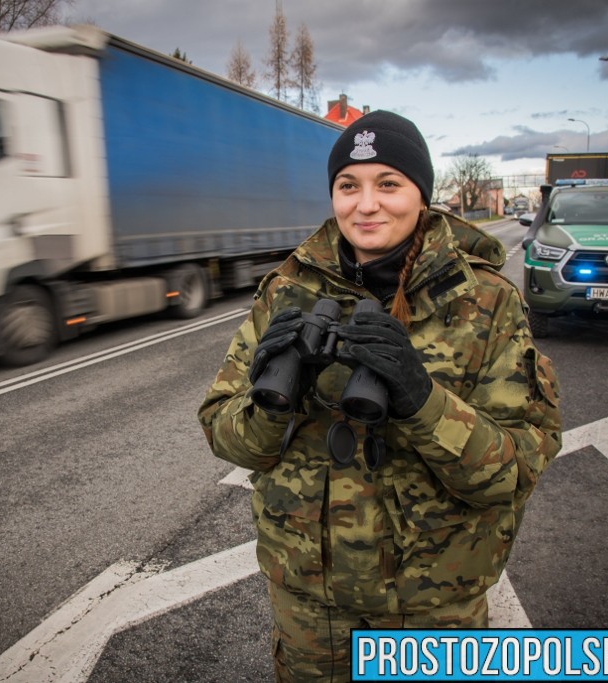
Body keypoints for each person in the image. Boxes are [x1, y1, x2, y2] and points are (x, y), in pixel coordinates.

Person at [198, 110, 562, 682]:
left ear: (422, 194)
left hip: (431, 607)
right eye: (348, 186)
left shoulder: (486, 301)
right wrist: (271, 404)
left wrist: (423, 401)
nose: (366, 205)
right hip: (310, 607)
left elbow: (512, 473)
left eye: (388, 183)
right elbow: (226, 436)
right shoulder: (287, 291)